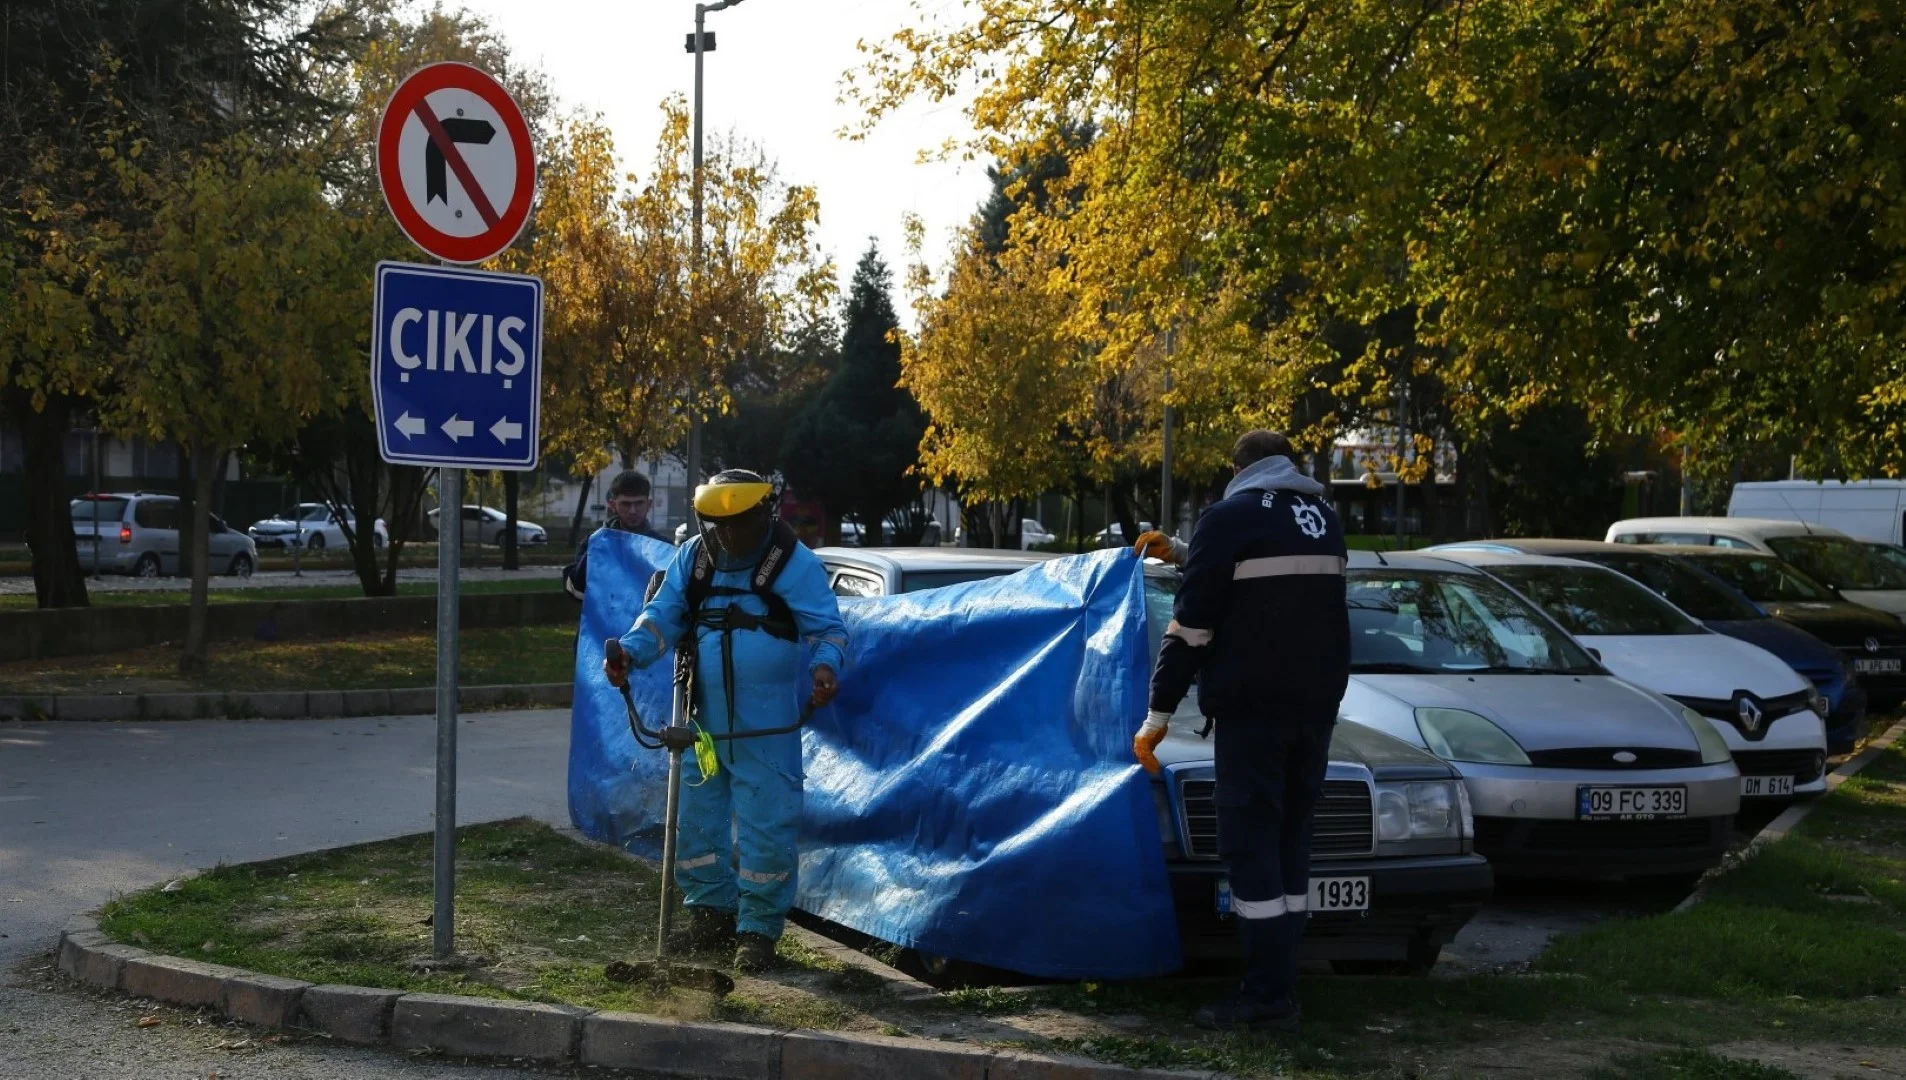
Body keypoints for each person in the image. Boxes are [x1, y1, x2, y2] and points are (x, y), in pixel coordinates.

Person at [1135, 431, 1350, 1032]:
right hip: (1315, 711)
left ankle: (1264, 995)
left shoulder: (1227, 515)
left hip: (1254, 714)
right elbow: (1265, 579)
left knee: (1251, 849)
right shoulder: (1322, 518)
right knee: (1290, 848)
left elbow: (1193, 626)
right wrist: (1184, 550)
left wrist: (1158, 713)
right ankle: (1285, 982)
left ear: (1239, 468)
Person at [602, 470, 848, 972]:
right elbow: (662, 615)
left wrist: (826, 667)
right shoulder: (695, 556)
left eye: (737, 523)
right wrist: (629, 652)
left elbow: (828, 628)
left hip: (766, 721)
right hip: (702, 718)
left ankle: (757, 932)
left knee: (767, 821)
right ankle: (710, 917)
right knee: (697, 817)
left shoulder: (792, 562)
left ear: (764, 513)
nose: (728, 534)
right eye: (718, 523)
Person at [564, 470, 668, 601]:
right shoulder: (594, 542)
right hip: (604, 620)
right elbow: (577, 590)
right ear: (613, 505)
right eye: (626, 504)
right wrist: (598, 547)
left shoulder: (663, 547)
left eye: (639, 503)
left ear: (649, 504)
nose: (633, 511)